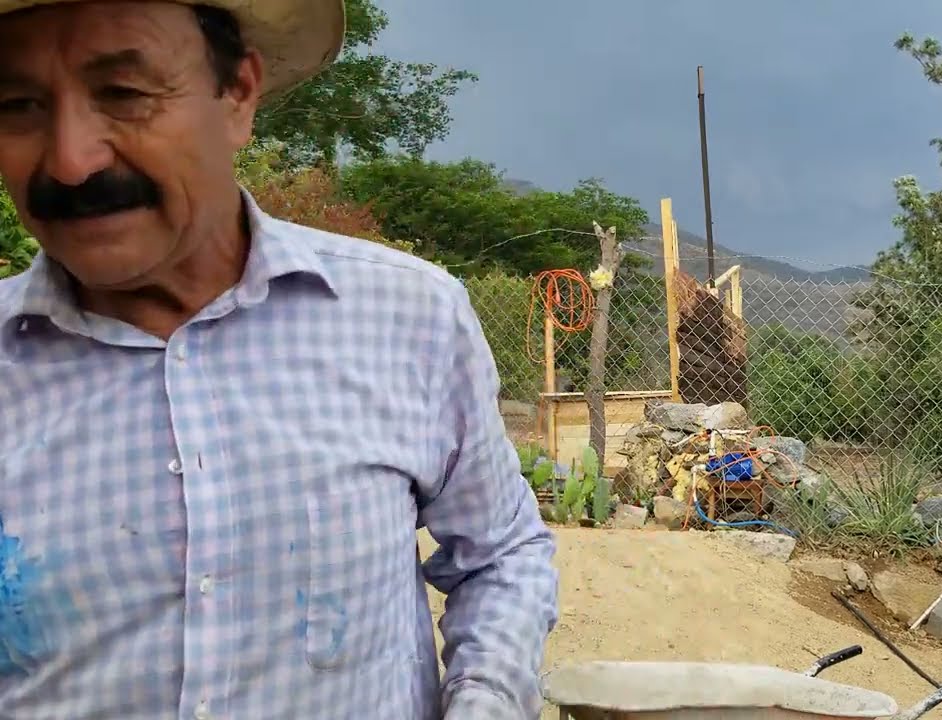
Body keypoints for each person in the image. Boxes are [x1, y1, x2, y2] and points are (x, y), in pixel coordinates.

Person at [0, 1, 559, 718]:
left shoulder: (408, 316)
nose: (72, 161)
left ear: (237, 96)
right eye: (16, 105)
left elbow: (501, 554)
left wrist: (487, 703)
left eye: (125, 94)